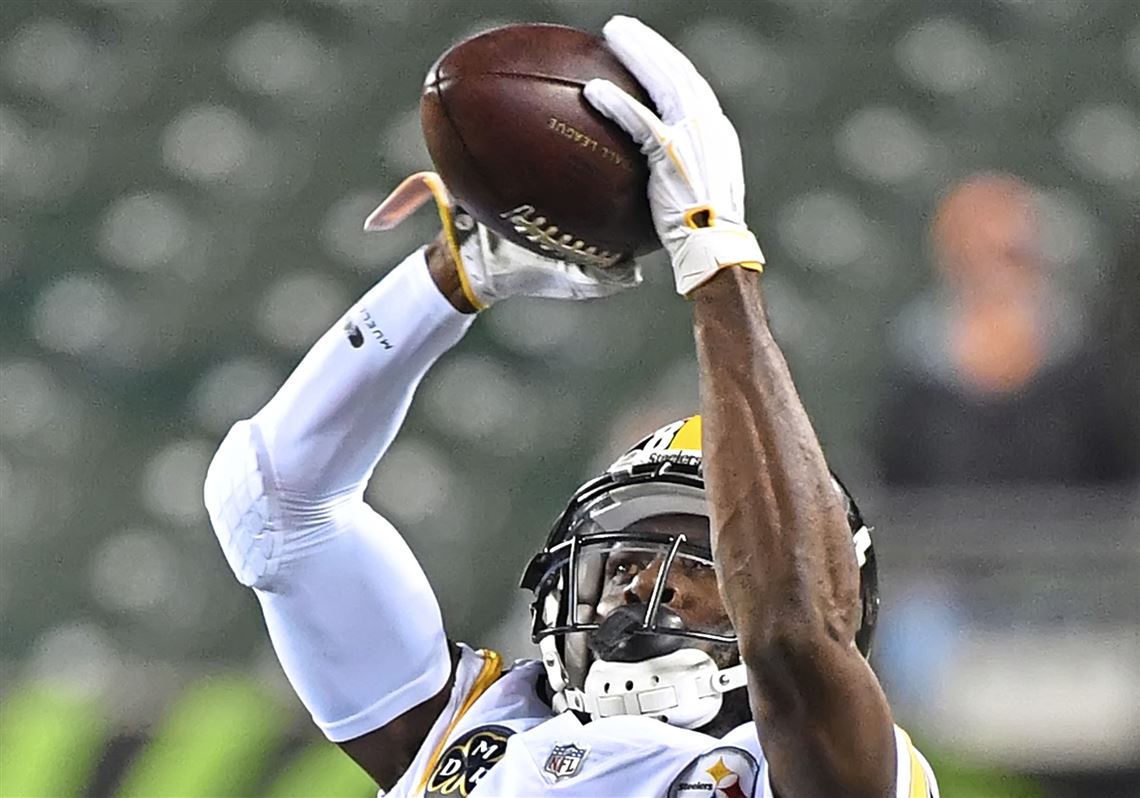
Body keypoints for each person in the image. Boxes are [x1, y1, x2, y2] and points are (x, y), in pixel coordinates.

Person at [204, 17, 937, 798]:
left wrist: (715, 257)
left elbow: (795, 639)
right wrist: (454, 277)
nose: (641, 584)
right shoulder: (473, 734)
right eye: (625, 559)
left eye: (703, 558)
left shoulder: (829, 767)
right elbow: (271, 508)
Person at [878, 173, 1137, 486]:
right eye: (975, 254)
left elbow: (1113, 485)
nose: (994, 274)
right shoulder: (914, 374)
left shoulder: (1083, 368)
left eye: (1011, 256)